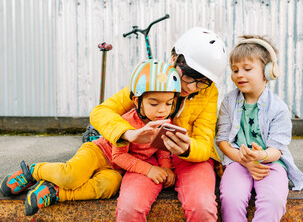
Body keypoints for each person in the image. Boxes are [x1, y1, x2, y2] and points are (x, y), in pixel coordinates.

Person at [0, 59, 181, 217]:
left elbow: (162, 148)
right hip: (99, 152)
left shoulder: (165, 121)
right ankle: (33, 171)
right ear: (136, 101)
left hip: (116, 170)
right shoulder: (127, 121)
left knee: (109, 186)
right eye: (154, 103)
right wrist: (149, 170)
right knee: (71, 176)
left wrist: (166, 168)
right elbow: (118, 156)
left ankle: (54, 192)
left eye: (169, 103)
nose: (162, 110)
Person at [90, 27, 228, 221]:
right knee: (129, 208)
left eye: (201, 82)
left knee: (203, 208)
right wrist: (128, 134)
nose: (190, 87)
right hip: (145, 156)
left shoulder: (209, 92)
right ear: (174, 58)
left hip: (189, 159)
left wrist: (188, 148)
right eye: (187, 76)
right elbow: (100, 112)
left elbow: (204, 143)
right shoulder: (152, 77)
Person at [216, 35, 303, 222]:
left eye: (247, 69)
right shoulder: (228, 101)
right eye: (235, 70)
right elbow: (222, 140)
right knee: (231, 198)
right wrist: (245, 160)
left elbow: (277, 149)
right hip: (237, 161)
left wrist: (260, 156)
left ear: (268, 72)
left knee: (273, 200)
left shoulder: (279, 108)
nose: (239, 74)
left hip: (270, 164)